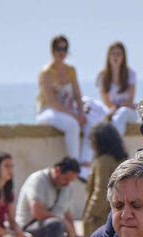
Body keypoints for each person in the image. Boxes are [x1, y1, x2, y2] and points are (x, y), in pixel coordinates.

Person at [14, 156, 87, 237]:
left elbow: (67, 214)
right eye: (66, 179)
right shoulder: (38, 180)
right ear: (57, 170)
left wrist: (73, 236)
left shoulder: (67, 187)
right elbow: (37, 212)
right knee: (55, 225)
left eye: (70, 181)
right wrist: (63, 222)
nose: (67, 183)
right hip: (30, 231)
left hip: (55, 234)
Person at [37, 35, 91, 163]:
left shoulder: (71, 70)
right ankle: (74, 163)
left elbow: (78, 95)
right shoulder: (46, 72)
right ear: (52, 50)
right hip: (48, 111)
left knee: (90, 123)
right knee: (72, 125)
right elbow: (51, 102)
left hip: (68, 110)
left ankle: (85, 162)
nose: (62, 52)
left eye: (65, 49)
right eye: (58, 48)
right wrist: (74, 115)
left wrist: (81, 113)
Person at [84, 122, 127, 237]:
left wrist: (91, 212)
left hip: (101, 217)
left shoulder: (103, 161)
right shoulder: (122, 160)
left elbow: (101, 189)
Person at [92, 42, 139, 132]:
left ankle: (115, 144)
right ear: (108, 56)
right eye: (113, 54)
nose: (115, 57)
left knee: (122, 113)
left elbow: (130, 100)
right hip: (110, 111)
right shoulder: (102, 76)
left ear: (123, 57)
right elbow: (105, 101)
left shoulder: (130, 74)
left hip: (127, 112)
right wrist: (112, 109)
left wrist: (117, 107)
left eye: (118, 54)